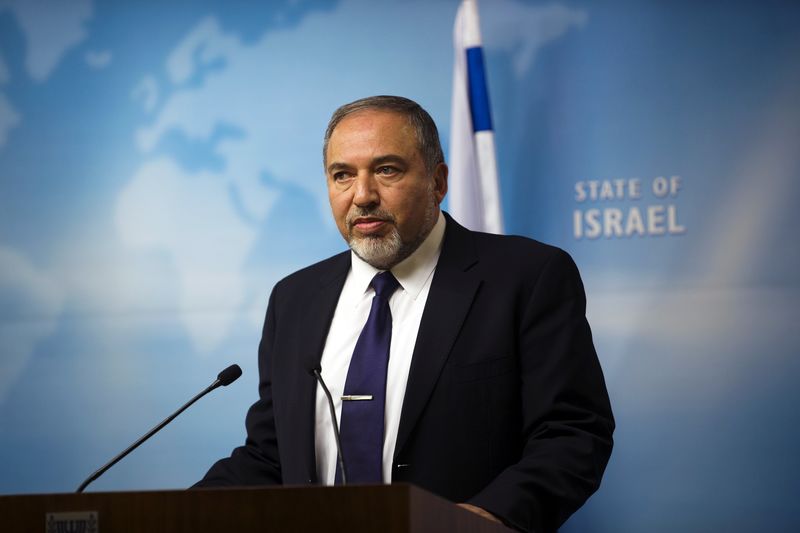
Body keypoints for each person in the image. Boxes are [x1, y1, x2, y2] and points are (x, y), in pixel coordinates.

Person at [195, 95, 614, 533]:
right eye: (342, 175)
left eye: (386, 170)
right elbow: (271, 454)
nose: (363, 195)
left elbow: (573, 433)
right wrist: (184, 512)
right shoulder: (293, 299)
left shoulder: (527, 278)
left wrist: (488, 517)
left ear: (438, 181)